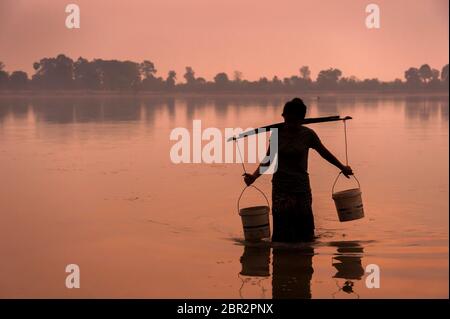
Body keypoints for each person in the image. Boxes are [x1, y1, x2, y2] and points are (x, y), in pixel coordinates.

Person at [243, 98, 353, 242]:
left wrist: (342, 167)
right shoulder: (277, 134)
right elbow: (268, 160)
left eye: (294, 120)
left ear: (301, 119)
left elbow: (324, 153)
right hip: (281, 188)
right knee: (282, 233)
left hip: (301, 187)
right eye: (287, 119)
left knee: (305, 232)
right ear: (283, 117)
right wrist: (253, 177)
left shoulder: (308, 135)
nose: (289, 124)